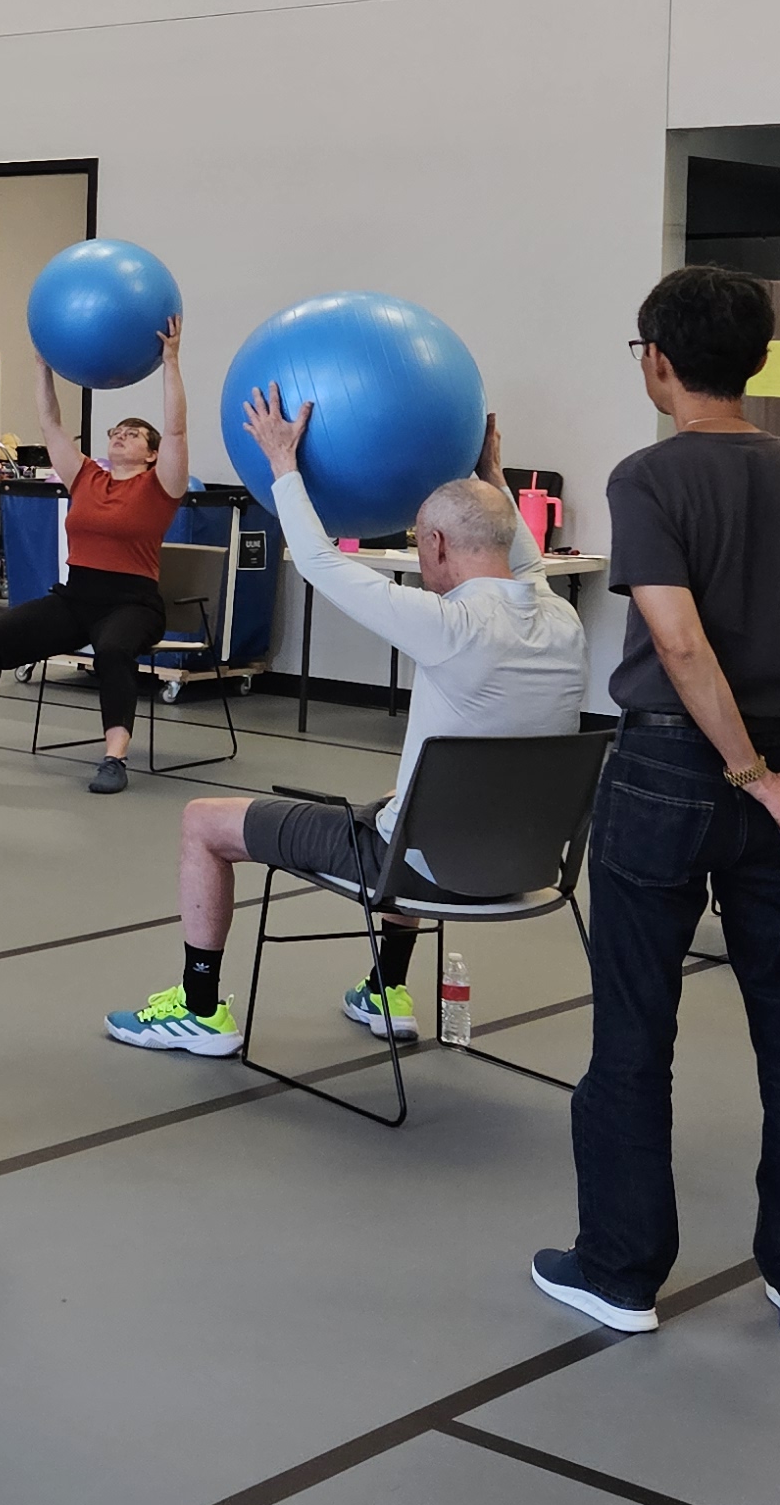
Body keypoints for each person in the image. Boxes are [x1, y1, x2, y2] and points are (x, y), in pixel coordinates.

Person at [539, 264, 780, 1344]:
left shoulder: (646, 479)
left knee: (635, 1027)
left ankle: (621, 1269)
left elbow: (676, 642)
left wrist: (746, 773)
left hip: (675, 773)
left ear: (656, 361)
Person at [105, 398, 581, 1058]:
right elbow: (518, 556)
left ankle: (199, 1008)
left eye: (421, 541)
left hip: (421, 868)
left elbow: (322, 562)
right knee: (400, 802)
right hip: (524, 866)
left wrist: (281, 463)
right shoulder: (563, 621)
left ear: (436, 544)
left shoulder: (448, 624)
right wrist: (491, 472)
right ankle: (386, 988)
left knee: (203, 822)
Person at [0, 318, 190, 793]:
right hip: (76, 598)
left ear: (153, 454)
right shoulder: (86, 477)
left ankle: (114, 759)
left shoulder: (161, 486)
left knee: (114, 649)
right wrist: (41, 365)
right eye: (116, 430)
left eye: (133, 434)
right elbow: (51, 423)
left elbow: (177, 432)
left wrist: (171, 363)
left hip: (132, 604)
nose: (119, 436)